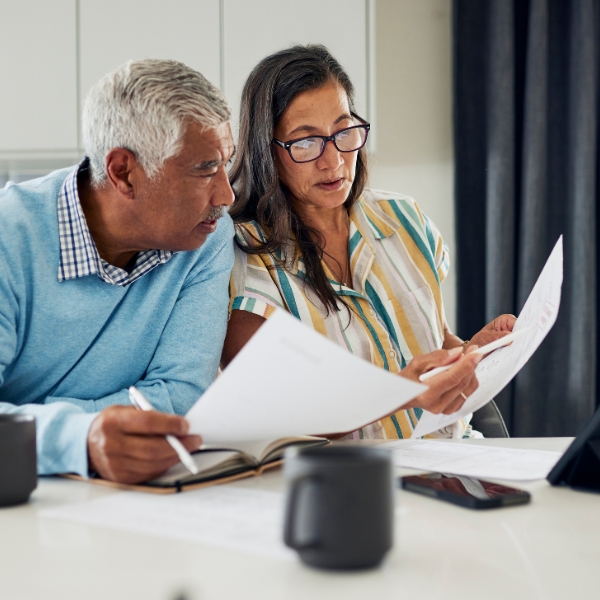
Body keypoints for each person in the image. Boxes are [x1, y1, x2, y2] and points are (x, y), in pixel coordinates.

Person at [222, 45, 515, 439]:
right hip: (349, 485)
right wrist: (402, 394)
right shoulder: (240, 260)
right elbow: (277, 413)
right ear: (267, 151)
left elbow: (434, 337)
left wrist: (470, 353)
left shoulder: (404, 218)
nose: (334, 161)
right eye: (305, 143)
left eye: (343, 132)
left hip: (455, 463)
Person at [0, 59, 236, 484]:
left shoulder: (206, 236)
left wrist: (32, 426)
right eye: (204, 169)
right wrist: (82, 437)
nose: (227, 194)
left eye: (225, 163)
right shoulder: (8, 236)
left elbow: (181, 396)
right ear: (124, 173)